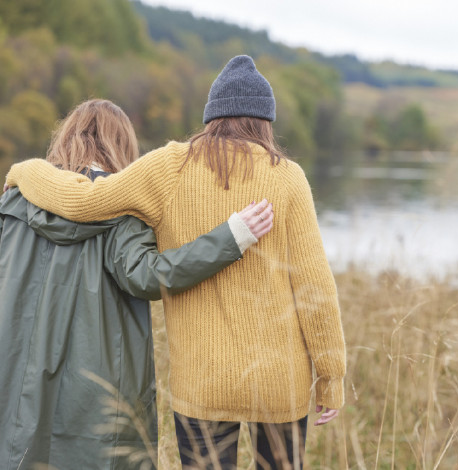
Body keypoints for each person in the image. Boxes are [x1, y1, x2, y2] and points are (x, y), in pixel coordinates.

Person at [5, 55, 346, 469]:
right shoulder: (288, 176)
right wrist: (331, 376)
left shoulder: (170, 166)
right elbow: (316, 287)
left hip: (202, 382)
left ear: (211, 116)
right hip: (279, 382)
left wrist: (24, 170)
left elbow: (85, 200)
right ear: (266, 122)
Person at [0, 99, 274, 469]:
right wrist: (230, 238)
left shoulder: (14, 201)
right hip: (96, 384)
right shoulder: (121, 206)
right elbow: (149, 276)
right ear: (122, 145)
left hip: (13, 370)